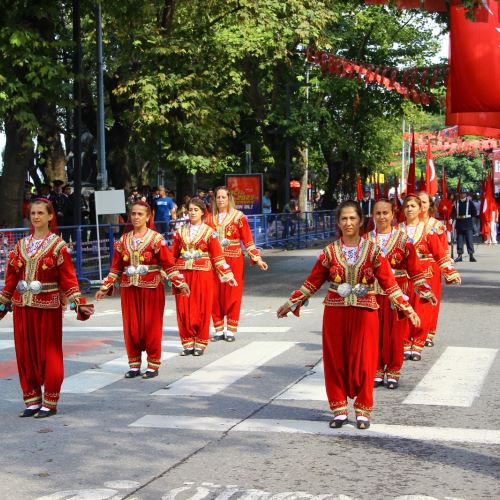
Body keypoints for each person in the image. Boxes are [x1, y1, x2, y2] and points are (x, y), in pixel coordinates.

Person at [277, 200, 419, 430]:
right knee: (335, 362)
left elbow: (388, 281)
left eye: (353, 218)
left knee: (366, 361)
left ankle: (363, 410)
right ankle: (339, 409)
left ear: (361, 221)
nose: (348, 222)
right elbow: (313, 281)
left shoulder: (373, 251)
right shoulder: (330, 252)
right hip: (335, 312)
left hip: (366, 312)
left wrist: (407, 307)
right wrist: (291, 302)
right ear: (338, 222)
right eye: (344, 218)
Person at [0, 198, 93, 418]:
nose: (36, 217)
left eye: (41, 213)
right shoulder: (21, 245)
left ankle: (50, 401)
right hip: (23, 305)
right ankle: (32, 399)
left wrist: (77, 302)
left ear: (51, 216)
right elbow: (11, 277)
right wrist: (3, 301)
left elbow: (68, 278)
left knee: (49, 353)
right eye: (33, 213)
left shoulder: (57, 246)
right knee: (25, 353)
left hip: (48, 305)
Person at [95, 201, 189, 378]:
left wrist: (179, 282)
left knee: (151, 326)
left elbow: (168, 264)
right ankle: (134, 364)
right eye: (133, 214)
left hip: (151, 288)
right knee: (132, 328)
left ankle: (153, 364)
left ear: (148, 216)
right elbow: (115, 267)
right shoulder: (123, 240)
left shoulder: (156, 239)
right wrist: (105, 287)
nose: (136, 217)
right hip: (129, 288)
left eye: (140, 214)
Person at [367, 198, 436, 389]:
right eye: (378, 213)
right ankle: (378, 369)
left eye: (385, 213)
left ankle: (394, 370)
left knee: (396, 335)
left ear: (393, 214)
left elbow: (414, 269)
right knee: (375, 334)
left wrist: (424, 290)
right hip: (372, 294)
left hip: (398, 293)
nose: (381, 217)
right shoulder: (365, 240)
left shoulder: (404, 240)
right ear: (373, 215)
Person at [172, 197, 237, 356]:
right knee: (183, 308)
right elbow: (172, 255)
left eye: (196, 210)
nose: (192, 212)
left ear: (202, 212)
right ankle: (187, 342)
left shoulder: (209, 232)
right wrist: (165, 272)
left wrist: (228, 275)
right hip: (183, 274)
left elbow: (217, 257)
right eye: (190, 209)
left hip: (203, 274)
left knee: (201, 308)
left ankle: (200, 342)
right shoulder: (179, 231)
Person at [400, 194, 461, 360]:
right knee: (404, 307)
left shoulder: (429, 230)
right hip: (403, 276)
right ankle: (405, 342)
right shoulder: (397, 230)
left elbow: (439, 253)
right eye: (407, 206)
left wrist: (449, 271)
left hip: (424, 274)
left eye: (414, 206)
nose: (410, 209)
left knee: (422, 308)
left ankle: (418, 343)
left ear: (421, 208)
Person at [206, 187, 269, 341]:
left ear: (229, 199)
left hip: (234, 258)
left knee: (232, 293)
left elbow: (247, 239)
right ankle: (219, 329)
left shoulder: (238, 217)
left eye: (223, 197)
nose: (220, 200)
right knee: (214, 294)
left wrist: (257, 258)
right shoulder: (209, 218)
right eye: (218, 197)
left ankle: (231, 330)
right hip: (214, 260)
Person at [418, 191, 449, 346]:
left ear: (430, 204)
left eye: (424, 202)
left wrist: (447, 270)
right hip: (413, 268)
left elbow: (444, 249)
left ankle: (429, 333)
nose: (421, 205)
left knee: (431, 299)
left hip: (432, 267)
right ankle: (414, 333)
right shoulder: (408, 225)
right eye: (418, 202)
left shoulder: (437, 226)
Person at [451, 188, 477, 262]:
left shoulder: (470, 202)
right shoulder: (456, 202)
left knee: (469, 240)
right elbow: (453, 212)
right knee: (459, 240)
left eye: (464, 193)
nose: (462, 194)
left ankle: (471, 255)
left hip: (468, 223)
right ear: (459, 194)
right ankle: (459, 255)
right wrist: (451, 218)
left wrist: (468, 216)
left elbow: (474, 212)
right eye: (461, 193)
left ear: (466, 194)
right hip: (459, 223)